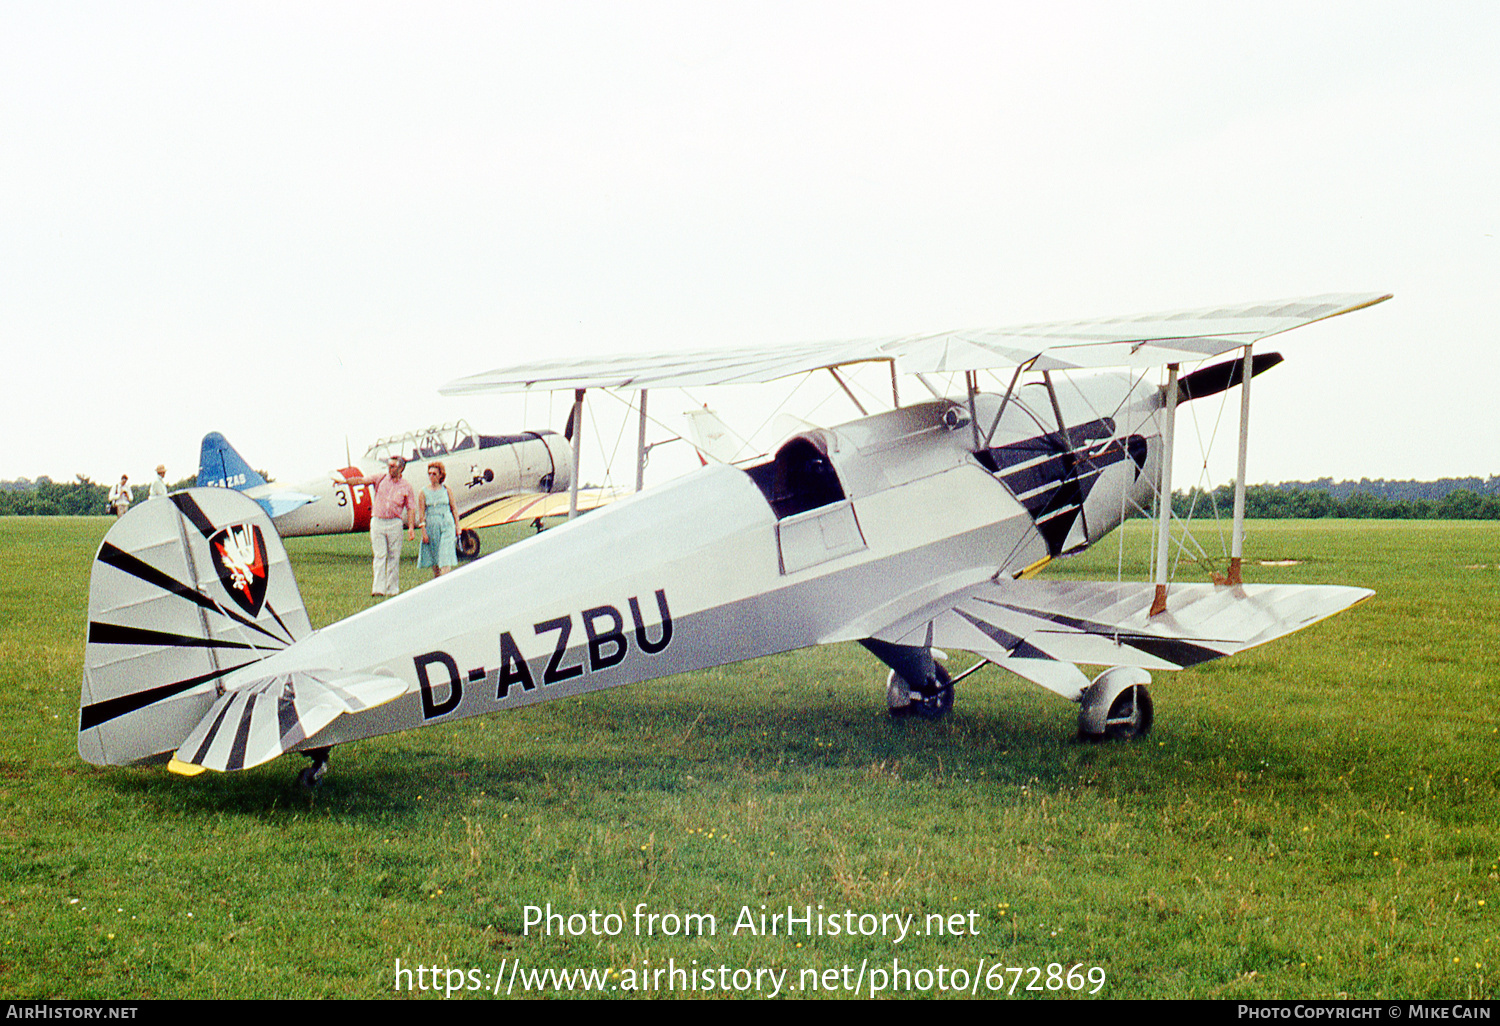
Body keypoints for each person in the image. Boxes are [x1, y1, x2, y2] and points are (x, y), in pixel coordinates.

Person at [342, 456, 417, 597]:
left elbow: (411, 508)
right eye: (389, 465)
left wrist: (411, 528)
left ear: (401, 468)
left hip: (395, 522)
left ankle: (392, 589)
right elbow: (361, 480)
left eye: (393, 466)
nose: (390, 468)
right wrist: (345, 482)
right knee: (379, 555)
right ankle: (378, 589)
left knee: (394, 556)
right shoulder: (380, 478)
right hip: (378, 521)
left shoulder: (406, 486)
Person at [417, 461, 460, 579]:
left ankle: (445, 580)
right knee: (435, 557)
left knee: (445, 554)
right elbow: (421, 513)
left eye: (434, 474)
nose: (431, 476)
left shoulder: (446, 489)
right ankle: (438, 580)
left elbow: (454, 508)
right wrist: (423, 531)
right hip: (432, 523)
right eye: (429, 474)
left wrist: (457, 526)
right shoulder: (423, 492)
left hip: (446, 523)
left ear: (441, 475)